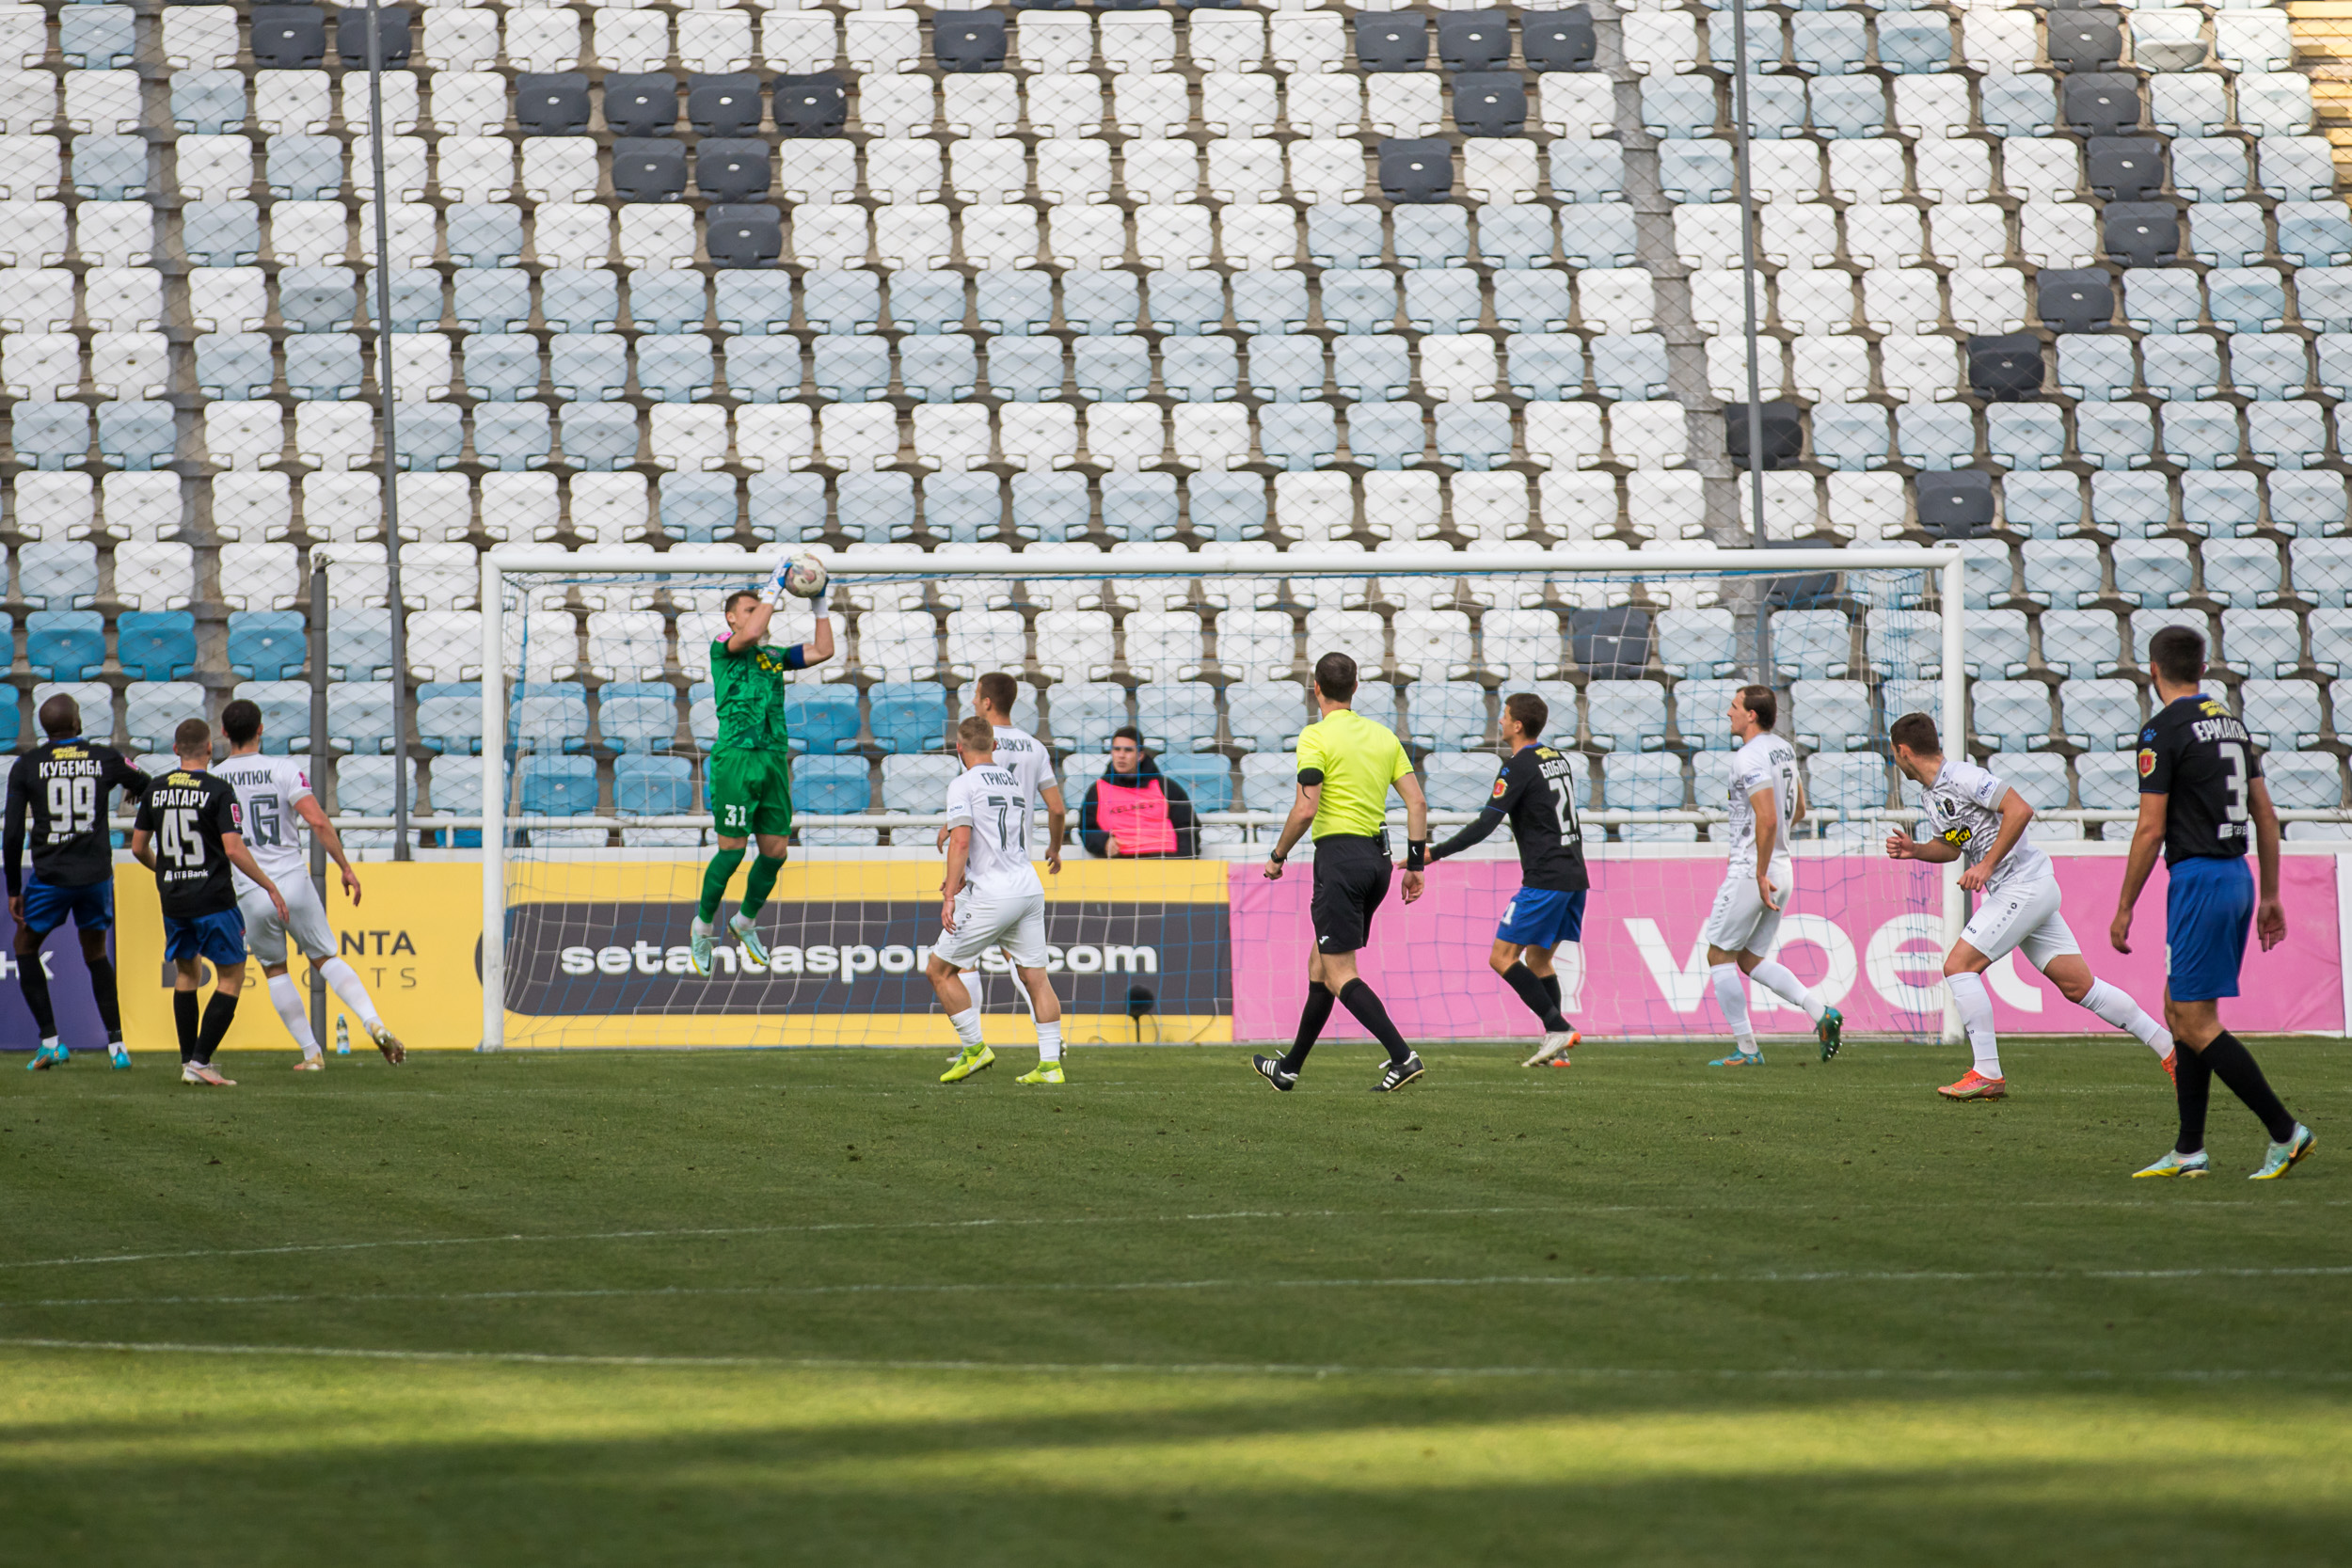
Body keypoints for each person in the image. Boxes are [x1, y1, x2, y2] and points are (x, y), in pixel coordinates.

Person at [1884, 712, 2174, 1101]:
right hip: (2026, 890)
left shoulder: (1963, 776)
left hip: (2022, 886)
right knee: (2079, 986)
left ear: (1903, 751)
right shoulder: (1931, 795)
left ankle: (1987, 1072)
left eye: (1894, 753)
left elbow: (2020, 809)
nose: (1895, 760)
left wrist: (1986, 865)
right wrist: (1916, 850)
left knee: (1958, 967)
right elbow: (1952, 846)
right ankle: (2170, 1049)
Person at [2113, 626, 2312, 1180]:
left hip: (2199, 878)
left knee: (2196, 1021)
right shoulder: (2231, 724)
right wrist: (2270, 893)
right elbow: (2265, 814)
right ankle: (2189, 1150)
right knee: (2178, 1010)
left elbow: (2151, 829)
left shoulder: (2161, 730)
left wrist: (2125, 905)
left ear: (2153, 670)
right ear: (2202, 669)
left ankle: (2286, 1131)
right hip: (2237, 876)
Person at [1252, 653, 1431, 1093]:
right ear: (1355, 688)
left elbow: (1306, 808)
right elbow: (1417, 803)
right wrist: (1416, 865)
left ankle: (1402, 1056)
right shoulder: (1383, 736)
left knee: (1338, 972)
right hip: (1379, 862)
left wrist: (1277, 855)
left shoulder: (1315, 736)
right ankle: (1289, 1068)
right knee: (1320, 964)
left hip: (1339, 862)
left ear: (1316, 688)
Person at [215, 698, 405, 1070]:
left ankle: (311, 1054)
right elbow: (317, 821)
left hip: (252, 888)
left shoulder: (216, 778)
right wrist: (345, 867)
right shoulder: (284, 769)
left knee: (275, 970)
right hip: (293, 880)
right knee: (325, 959)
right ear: (261, 729)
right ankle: (373, 1022)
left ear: (223, 732)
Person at [1422, 692, 1584, 1068]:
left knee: (1501, 957)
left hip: (1545, 879)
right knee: (1539, 960)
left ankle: (1558, 1027)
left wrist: (1434, 853)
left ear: (1518, 725)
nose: (1500, 721)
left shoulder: (1517, 766)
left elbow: (1485, 824)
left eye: (1505, 715)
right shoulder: (1556, 759)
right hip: (1575, 875)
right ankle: (1557, 1049)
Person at [689, 578, 835, 977]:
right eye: (749, 610)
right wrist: (773, 588)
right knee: (732, 851)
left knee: (776, 851)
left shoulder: (772, 655)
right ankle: (703, 926)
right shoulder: (724, 645)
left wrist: (820, 604)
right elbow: (751, 633)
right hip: (736, 757)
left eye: (760, 608)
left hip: (772, 757)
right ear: (731, 618)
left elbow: (824, 650)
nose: (758, 615)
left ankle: (745, 921)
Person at [130, 718, 289, 1087]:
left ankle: (189, 1060)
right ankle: (201, 1062)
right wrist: (269, 885)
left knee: (187, 974)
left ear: (175, 749)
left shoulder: (155, 789)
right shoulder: (218, 789)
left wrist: (164, 871)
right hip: (213, 898)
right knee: (231, 975)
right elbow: (233, 849)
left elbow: (138, 847)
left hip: (174, 900)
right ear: (209, 749)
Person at [1703, 686, 1845, 1067]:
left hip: (1756, 870)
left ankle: (1747, 1049)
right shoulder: (1782, 748)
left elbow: (1767, 818)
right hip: (1783, 865)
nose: (1728, 712)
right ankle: (1820, 1012)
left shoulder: (1748, 756)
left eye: (1734, 706)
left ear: (1751, 715)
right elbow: (1798, 809)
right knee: (1749, 959)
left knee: (1719, 954)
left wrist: (1759, 871)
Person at [6, 693, 148, 1069]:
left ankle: (51, 1042)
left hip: (51, 877)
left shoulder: (27, 765)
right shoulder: (104, 758)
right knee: (96, 953)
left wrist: (13, 889)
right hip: (95, 876)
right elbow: (145, 783)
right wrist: (133, 788)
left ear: (44, 726)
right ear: (76, 722)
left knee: (24, 947)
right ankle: (117, 1047)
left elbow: (13, 833)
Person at [930, 717, 1066, 1085]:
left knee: (939, 970)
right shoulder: (1011, 780)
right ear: (993, 746)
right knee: (1036, 977)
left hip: (993, 893)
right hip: (1028, 887)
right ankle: (1050, 1066)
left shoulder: (963, 784)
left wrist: (950, 894)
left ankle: (974, 1049)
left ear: (959, 748)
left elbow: (961, 840)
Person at [1077, 727, 1200, 859]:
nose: (1121, 755)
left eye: (1128, 750)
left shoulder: (1166, 787)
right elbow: (1086, 829)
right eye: (1117, 749)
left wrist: (1182, 860)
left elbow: (1187, 826)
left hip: (1164, 857)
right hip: (1120, 860)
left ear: (1140, 755)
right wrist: (1103, 843)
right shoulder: (1097, 790)